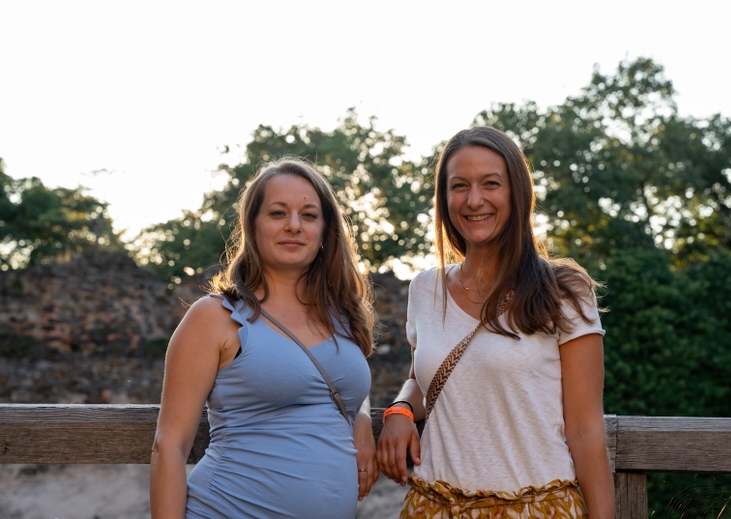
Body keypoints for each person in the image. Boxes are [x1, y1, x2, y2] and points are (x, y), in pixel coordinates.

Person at [377, 127, 614, 518]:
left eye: (491, 183)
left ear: (517, 192)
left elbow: (586, 428)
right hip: (434, 506)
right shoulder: (424, 289)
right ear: (444, 198)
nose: (474, 200)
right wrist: (400, 410)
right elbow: (425, 378)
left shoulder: (563, 290)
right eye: (459, 186)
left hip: (537, 508)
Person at [150, 158, 378, 518]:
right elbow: (169, 447)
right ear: (253, 226)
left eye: (309, 215)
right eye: (277, 213)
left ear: (325, 232)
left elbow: (339, 379)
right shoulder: (214, 317)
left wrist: (360, 415)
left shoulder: (343, 315)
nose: (294, 225)